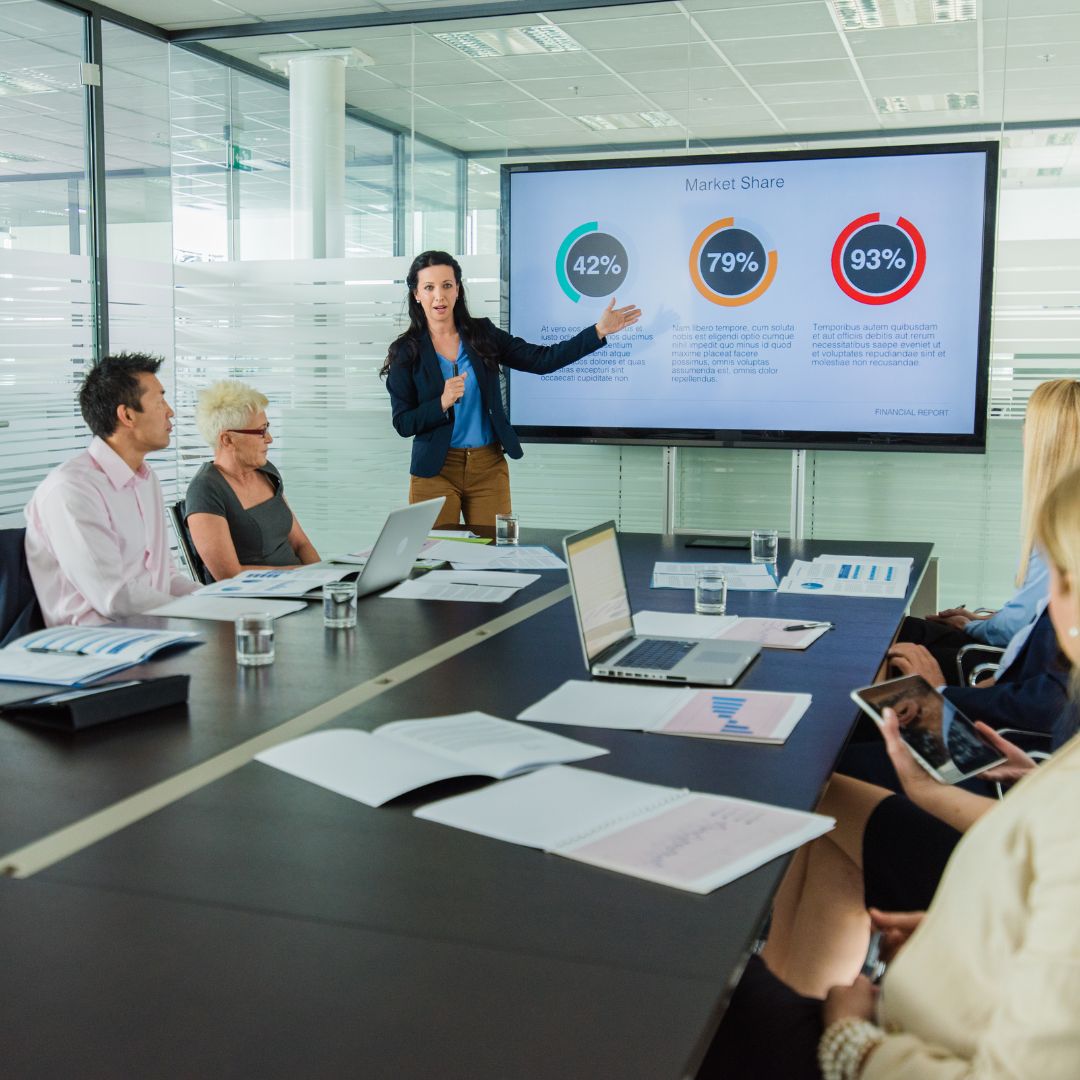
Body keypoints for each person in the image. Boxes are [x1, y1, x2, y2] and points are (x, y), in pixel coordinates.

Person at [702, 462, 1080, 1079]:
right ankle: (801, 980)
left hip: (912, 1041)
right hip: (944, 983)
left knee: (719, 1005)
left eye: (1060, 576)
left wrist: (852, 1042)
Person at [381, 250, 641, 528]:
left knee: (495, 558)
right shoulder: (405, 351)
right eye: (429, 287)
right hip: (435, 471)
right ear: (416, 294)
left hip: (488, 467)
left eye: (447, 285)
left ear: (458, 289)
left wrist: (598, 331)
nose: (439, 296)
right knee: (437, 559)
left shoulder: (483, 334)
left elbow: (543, 360)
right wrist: (441, 402)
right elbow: (403, 423)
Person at [894, 377, 1080, 682]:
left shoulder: (1062, 524)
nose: (1022, 432)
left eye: (1027, 422)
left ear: (1048, 437)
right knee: (904, 629)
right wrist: (983, 619)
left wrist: (971, 627)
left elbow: (1017, 628)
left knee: (893, 647)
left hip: (1007, 670)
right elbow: (1032, 615)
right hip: (1015, 653)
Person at [23, 352, 199, 626]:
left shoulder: (146, 479)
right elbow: (114, 598)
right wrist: (201, 613)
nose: (170, 411)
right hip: (95, 647)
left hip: (152, 631)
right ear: (127, 415)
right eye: (160, 400)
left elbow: (166, 578)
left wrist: (218, 601)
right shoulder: (71, 489)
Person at [185, 380, 320, 581]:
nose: (269, 438)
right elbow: (229, 575)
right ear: (227, 439)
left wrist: (326, 579)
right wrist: (300, 576)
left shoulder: (266, 471)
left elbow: (301, 543)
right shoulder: (205, 489)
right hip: (256, 600)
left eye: (267, 427)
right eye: (261, 431)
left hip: (302, 587)